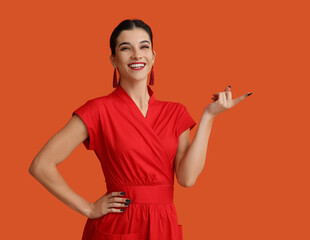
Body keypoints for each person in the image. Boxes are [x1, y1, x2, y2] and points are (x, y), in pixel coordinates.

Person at [28, 19, 253, 240]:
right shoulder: (98, 110)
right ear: (113, 60)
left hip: (164, 223)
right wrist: (88, 208)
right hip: (118, 223)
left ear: (153, 57)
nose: (137, 55)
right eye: (126, 48)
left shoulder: (175, 113)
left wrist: (209, 116)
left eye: (144, 47)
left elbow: (187, 178)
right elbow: (41, 165)